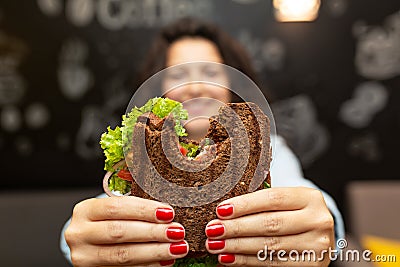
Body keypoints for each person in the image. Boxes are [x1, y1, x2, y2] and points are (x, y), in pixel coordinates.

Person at [61, 17, 344, 267]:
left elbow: (298, 189)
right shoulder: (141, 153)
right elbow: (100, 212)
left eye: (210, 72)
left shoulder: (267, 148)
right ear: (158, 90)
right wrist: (85, 235)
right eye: (179, 74)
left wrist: (324, 221)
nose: (195, 87)